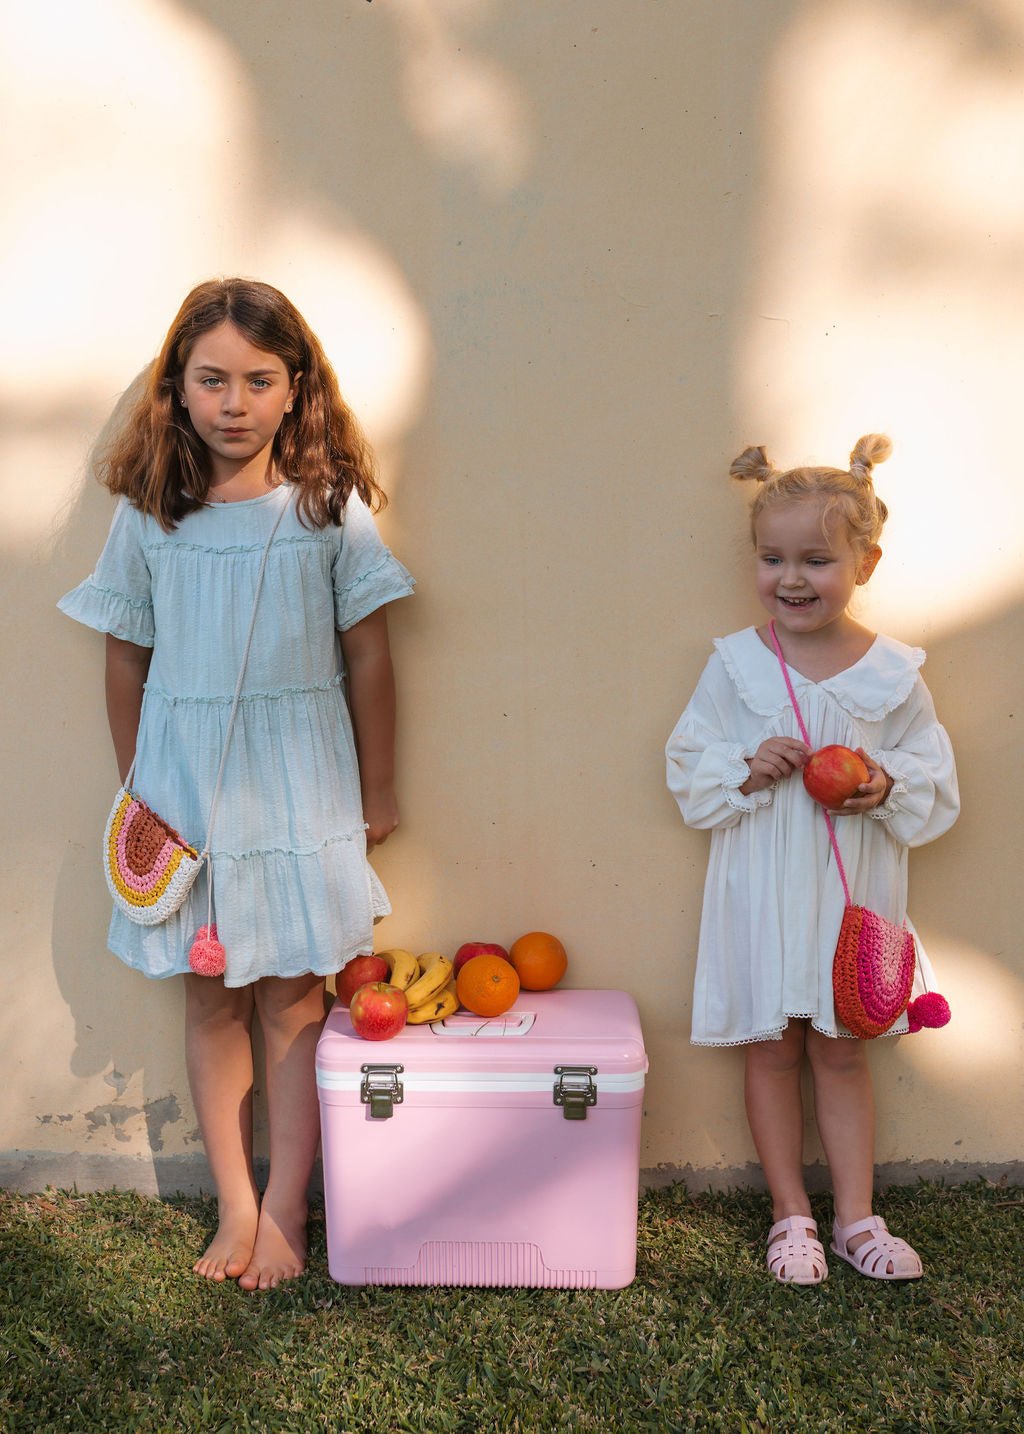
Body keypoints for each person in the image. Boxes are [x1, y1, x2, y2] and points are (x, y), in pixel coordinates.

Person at [59, 278, 414, 1290]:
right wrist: (143, 795)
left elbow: (371, 655)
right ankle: (236, 1202)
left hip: (299, 784)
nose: (233, 402)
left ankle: (291, 1207)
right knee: (212, 1001)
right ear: (177, 387)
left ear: (297, 389)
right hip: (187, 798)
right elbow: (125, 658)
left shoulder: (327, 512)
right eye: (211, 379)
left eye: (259, 380)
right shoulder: (150, 517)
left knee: (294, 1004)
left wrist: (376, 789)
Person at [665, 435, 958, 1285]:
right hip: (763, 886)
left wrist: (885, 782)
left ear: (865, 562)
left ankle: (857, 1218)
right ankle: (790, 1215)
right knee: (772, 1047)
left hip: (850, 894)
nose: (792, 578)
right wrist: (746, 767)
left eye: (817, 560)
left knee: (839, 1048)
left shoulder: (896, 675)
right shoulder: (737, 666)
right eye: (772, 558)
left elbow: (932, 772)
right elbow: (689, 762)